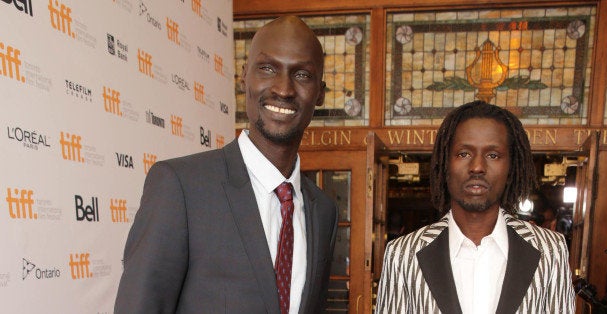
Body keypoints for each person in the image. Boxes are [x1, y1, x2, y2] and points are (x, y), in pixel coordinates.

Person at [114, 16, 338, 314]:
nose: (283, 89)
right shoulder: (180, 187)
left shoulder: (323, 210)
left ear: (320, 93)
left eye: (302, 75)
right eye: (268, 68)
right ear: (244, 76)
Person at [376, 101, 575, 313]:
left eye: (493, 155)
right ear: (445, 163)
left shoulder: (550, 249)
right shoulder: (403, 254)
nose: (477, 167)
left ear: (510, 166)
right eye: (464, 153)